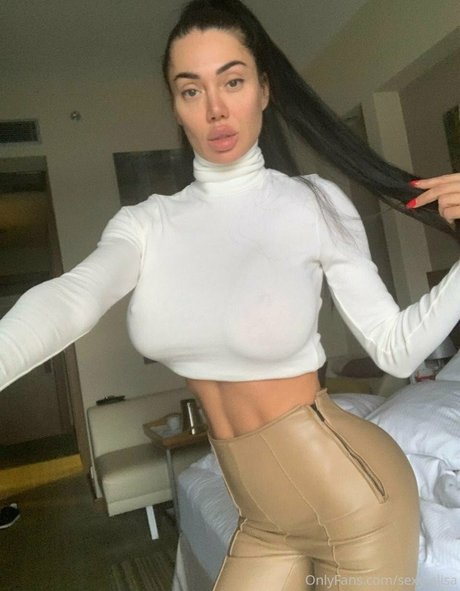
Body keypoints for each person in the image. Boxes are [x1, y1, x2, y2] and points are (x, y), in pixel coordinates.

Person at [0, 0, 459, 588]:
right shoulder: (146, 223)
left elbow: (396, 350)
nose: (215, 108)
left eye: (233, 81)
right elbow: (71, 299)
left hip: (356, 505)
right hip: (261, 519)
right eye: (191, 90)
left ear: (264, 90)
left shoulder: (312, 202)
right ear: (176, 105)